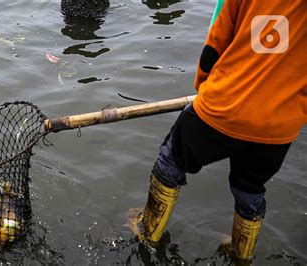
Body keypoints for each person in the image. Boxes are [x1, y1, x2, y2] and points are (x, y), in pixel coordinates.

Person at [128, 0, 306, 261]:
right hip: (280, 125)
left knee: (171, 159)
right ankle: (240, 253)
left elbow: (215, 43)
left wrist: (204, 88)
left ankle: (149, 232)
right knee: (251, 187)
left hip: (224, 105)